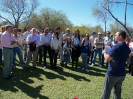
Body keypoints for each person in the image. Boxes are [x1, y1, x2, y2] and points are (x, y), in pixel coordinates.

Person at [101, 30, 131, 99]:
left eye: (115, 35)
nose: (114, 36)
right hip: (122, 74)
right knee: (117, 92)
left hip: (112, 73)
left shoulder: (116, 46)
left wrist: (104, 52)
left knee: (106, 92)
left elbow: (107, 59)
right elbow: (126, 58)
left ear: (120, 37)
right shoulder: (127, 48)